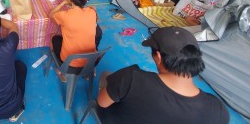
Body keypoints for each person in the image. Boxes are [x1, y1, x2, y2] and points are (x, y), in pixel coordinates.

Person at [96, 27, 229, 123]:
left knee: (106, 76)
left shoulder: (131, 78)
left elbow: (102, 103)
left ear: (158, 57)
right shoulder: (217, 110)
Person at [49, 0, 102, 81]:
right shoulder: (92, 11)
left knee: (53, 37)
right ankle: (89, 72)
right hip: (91, 61)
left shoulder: (65, 15)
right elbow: (96, 21)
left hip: (70, 64)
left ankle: (61, 70)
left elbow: (51, 14)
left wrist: (64, 2)